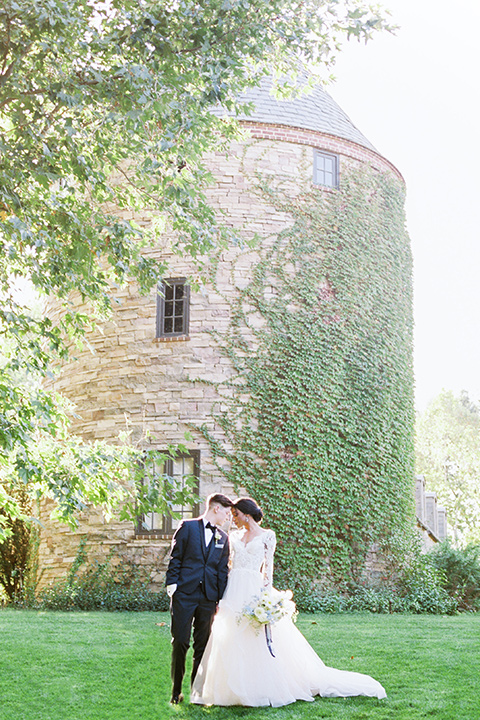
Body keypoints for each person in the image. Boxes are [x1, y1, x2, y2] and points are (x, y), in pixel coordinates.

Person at [191, 497, 387, 707]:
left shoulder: (267, 536)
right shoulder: (233, 536)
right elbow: (227, 566)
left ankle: (260, 686)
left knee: (254, 636)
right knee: (230, 636)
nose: (233, 519)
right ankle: (229, 690)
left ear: (246, 515)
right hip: (234, 589)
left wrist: (265, 600)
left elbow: (268, 572)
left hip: (254, 588)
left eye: (236, 515)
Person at [165, 493, 232, 705]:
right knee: (180, 642)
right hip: (184, 593)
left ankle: (197, 691)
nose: (228, 517)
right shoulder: (188, 527)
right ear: (216, 508)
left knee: (202, 645)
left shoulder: (224, 537)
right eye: (227, 512)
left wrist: (220, 599)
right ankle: (176, 691)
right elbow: (176, 556)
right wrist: (172, 584)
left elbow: (222, 570)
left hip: (208, 598)